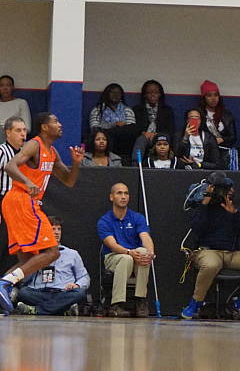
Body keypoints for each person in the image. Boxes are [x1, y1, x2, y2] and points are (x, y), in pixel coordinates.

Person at [0, 112, 85, 313]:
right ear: (45, 127)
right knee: (52, 252)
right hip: (22, 200)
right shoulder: (34, 145)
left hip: (19, 203)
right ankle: (5, 284)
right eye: (55, 121)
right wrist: (27, 182)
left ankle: (4, 284)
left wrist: (76, 163)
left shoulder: (52, 152)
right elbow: (10, 166)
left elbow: (69, 181)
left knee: (28, 261)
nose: (60, 124)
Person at [180, 172, 240, 321]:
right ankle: (196, 303)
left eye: (230, 189)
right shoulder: (203, 207)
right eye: (224, 189)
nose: (229, 192)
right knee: (212, 265)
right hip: (208, 251)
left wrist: (234, 214)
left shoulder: (236, 209)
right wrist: (205, 203)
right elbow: (197, 229)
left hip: (232, 253)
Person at [97, 182, 155, 318]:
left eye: (126, 193)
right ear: (111, 197)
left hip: (134, 256)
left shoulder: (137, 217)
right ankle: (116, 304)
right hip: (113, 256)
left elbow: (145, 237)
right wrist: (129, 252)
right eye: (119, 193)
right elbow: (112, 245)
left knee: (144, 253)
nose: (123, 196)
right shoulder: (104, 221)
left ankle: (141, 300)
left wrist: (150, 253)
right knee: (126, 258)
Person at [15, 216, 90, 316]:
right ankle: (63, 309)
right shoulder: (35, 255)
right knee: (23, 293)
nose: (57, 232)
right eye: (53, 229)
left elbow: (84, 277)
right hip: (39, 292)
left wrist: (77, 285)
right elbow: (24, 280)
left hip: (62, 292)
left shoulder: (72, 254)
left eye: (59, 229)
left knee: (79, 293)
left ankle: (36, 310)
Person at [87, 83, 137, 158]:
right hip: (106, 137)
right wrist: (113, 125)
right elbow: (94, 128)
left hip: (124, 140)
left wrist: (123, 126)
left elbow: (132, 128)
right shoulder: (98, 110)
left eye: (118, 93)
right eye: (112, 92)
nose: (115, 95)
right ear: (106, 94)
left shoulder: (127, 110)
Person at [131, 80, 175, 163]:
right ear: (145, 95)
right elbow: (133, 128)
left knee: (163, 140)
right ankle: (136, 164)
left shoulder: (167, 110)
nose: (153, 95)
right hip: (143, 137)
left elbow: (170, 129)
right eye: (149, 92)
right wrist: (143, 133)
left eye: (156, 92)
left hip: (160, 137)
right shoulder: (137, 109)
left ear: (160, 94)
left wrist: (158, 134)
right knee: (141, 139)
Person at [199, 80, 237, 151]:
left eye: (216, 95)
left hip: (223, 148)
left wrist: (222, 139)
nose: (213, 99)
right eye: (209, 95)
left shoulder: (226, 115)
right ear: (204, 98)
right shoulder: (199, 114)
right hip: (205, 149)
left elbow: (233, 137)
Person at [0, 117, 27, 198]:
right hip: (4, 198)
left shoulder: (26, 153)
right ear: (8, 133)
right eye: (18, 130)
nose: (23, 134)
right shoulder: (2, 151)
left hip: (22, 199)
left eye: (24, 130)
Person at [0, 75, 31, 144]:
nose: (5, 88)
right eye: (2, 85)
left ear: (13, 87)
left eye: (8, 85)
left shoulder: (21, 103)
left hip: (14, 137)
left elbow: (27, 128)